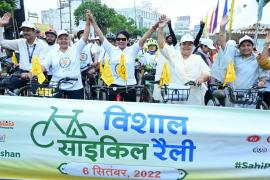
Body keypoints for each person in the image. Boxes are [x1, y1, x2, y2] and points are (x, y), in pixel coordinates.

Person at [90, 9, 159, 102]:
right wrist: (92, 20)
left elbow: (145, 37)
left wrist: (155, 26)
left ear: (127, 40)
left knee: (130, 112)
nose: (121, 41)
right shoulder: (111, 49)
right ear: (116, 40)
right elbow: (100, 34)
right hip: (114, 85)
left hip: (130, 86)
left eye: (123, 39)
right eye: (118, 39)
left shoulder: (133, 49)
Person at [157, 15, 210, 105]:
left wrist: (201, 78)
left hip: (194, 99)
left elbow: (207, 74)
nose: (186, 46)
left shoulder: (197, 58)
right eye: (184, 44)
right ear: (180, 45)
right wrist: (161, 29)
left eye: (189, 44)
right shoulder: (173, 55)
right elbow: (162, 45)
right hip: (176, 99)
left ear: (193, 46)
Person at [41, 10, 91, 99]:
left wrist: (88, 20)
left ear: (69, 40)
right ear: (57, 41)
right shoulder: (53, 52)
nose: (63, 40)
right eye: (61, 39)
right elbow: (44, 66)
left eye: (65, 38)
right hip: (56, 85)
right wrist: (32, 72)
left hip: (75, 86)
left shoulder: (76, 49)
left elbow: (85, 36)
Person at [212, 16, 266, 90]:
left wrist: (262, 82)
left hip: (249, 96)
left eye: (248, 45)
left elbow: (262, 75)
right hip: (232, 95)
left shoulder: (257, 60)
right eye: (243, 46)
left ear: (252, 47)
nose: (246, 48)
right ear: (239, 48)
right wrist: (222, 28)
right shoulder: (233, 57)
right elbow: (223, 44)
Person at [0, 12, 49, 90]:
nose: (25, 32)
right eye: (23, 30)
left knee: (37, 96)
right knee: (4, 84)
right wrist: (1, 26)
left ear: (34, 31)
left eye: (28, 30)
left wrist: (31, 74)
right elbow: (2, 42)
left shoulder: (42, 45)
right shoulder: (20, 42)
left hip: (38, 74)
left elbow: (44, 64)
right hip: (22, 73)